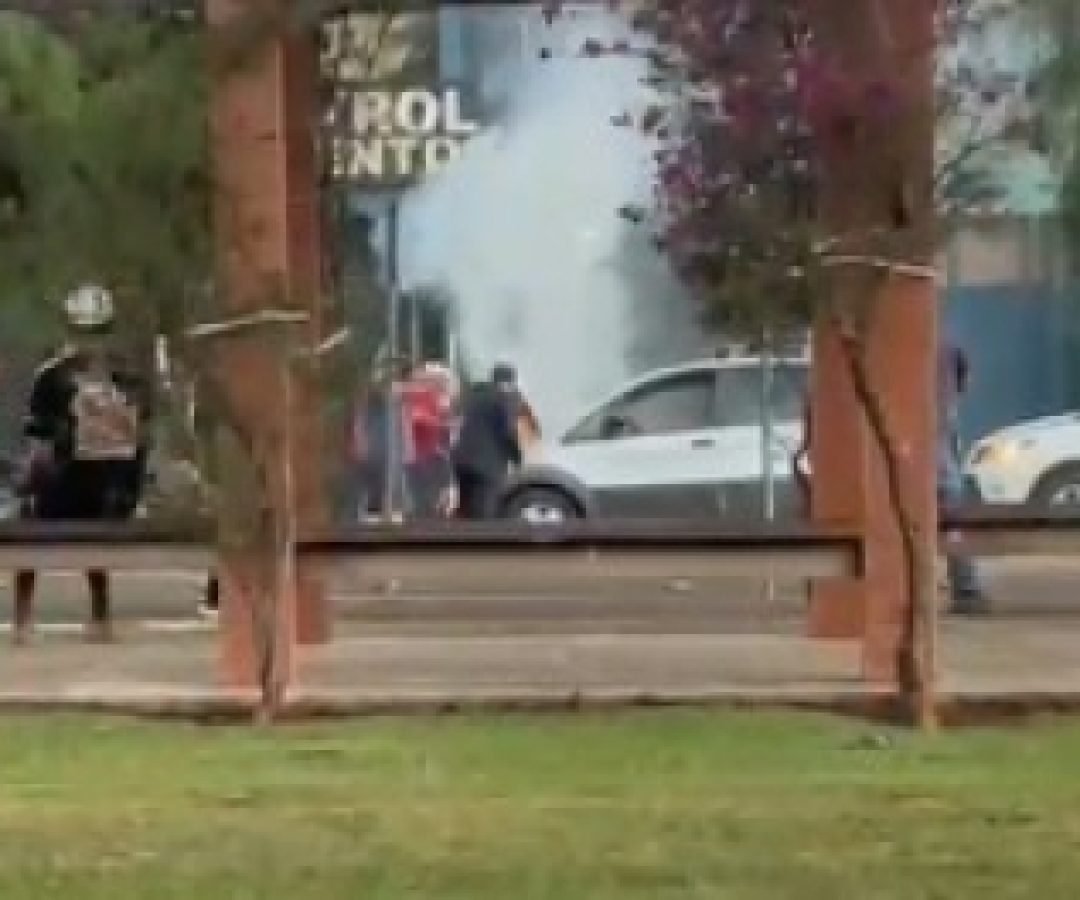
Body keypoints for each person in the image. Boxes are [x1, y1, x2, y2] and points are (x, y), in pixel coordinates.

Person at [12, 284, 150, 644]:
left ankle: (100, 617)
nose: (91, 341)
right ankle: (22, 618)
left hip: (100, 474)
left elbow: (137, 431)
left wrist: (129, 478)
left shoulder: (124, 378)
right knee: (32, 538)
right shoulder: (52, 376)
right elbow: (35, 428)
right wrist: (51, 447)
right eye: (84, 331)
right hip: (59, 471)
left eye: (99, 331)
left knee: (95, 546)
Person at [939, 343, 989, 615]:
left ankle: (966, 589)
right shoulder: (950, 350)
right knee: (954, 522)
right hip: (941, 460)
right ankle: (967, 590)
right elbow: (965, 383)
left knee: (952, 522)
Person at [452, 362, 522, 520]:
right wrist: (517, 457)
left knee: (465, 508)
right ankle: (481, 536)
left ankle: (462, 534)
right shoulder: (506, 397)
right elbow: (508, 431)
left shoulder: (472, 394)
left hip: (461, 460)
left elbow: (456, 418)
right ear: (510, 381)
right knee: (485, 511)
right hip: (488, 464)